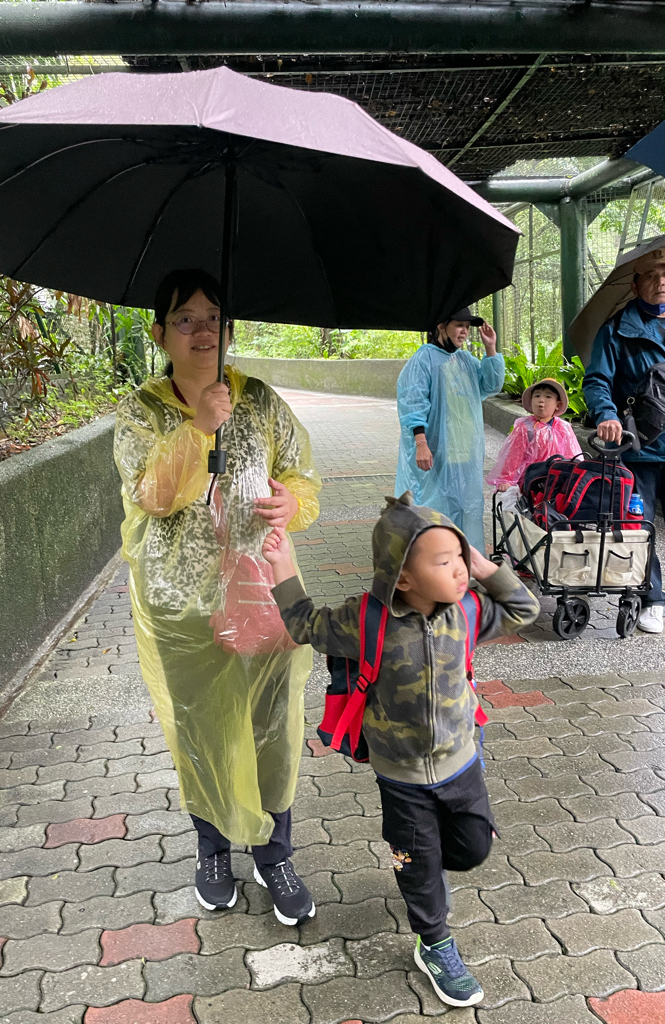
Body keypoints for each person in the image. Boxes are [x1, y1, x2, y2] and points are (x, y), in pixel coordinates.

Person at [262, 492, 539, 1007]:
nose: (459, 570)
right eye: (444, 561)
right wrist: (280, 563)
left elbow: (525, 608)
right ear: (403, 578)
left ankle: (432, 866)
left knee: (474, 848)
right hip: (401, 776)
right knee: (417, 863)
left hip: (462, 762)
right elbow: (304, 623)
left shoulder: (469, 610)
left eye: (460, 556)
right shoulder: (365, 620)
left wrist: (484, 566)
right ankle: (434, 942)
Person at [113, 269, 322, 924]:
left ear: (230, 330)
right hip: (180, 605)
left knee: (273, 725)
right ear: (160, 334)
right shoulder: (142, 412)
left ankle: (274, 852)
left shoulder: (258, 400)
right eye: (186, 319)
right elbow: (151, 495)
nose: (203, 331)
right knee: (201, 727)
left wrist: (293, 503)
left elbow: (300, 476)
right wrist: (198, 428)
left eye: (214, 318)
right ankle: (212, 850)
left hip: (264, 594)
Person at [584, 249, 665, 633]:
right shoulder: (615, 330)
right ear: (635, 285)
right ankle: (652, 598)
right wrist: (607, 415)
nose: (661, 281)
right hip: (640, 447)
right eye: (651, 274)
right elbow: (597, 380)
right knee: (638, 526)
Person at [396, 307, 504, 552]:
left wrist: (490, 348)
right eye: (459, 325)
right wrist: (421, 443)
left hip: (464, 451)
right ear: (442, 326)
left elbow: (490, 385)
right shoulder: (424, 359)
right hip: (435, 451)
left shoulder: (465, 360)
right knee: (434, 507)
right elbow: (413, 403)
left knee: (466, 507)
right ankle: (432, 559)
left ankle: (464, 559)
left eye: (467, 327)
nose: (464, 331)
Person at [486, 378, 582, 493]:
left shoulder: (563, 428)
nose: (541, 400)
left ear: (558, 404)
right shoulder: (525, 428)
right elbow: (514, 456)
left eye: (548, 397)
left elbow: (572, 453)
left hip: (557, 479)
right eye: (537, 396)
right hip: (531, 480)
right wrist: (506, 479)